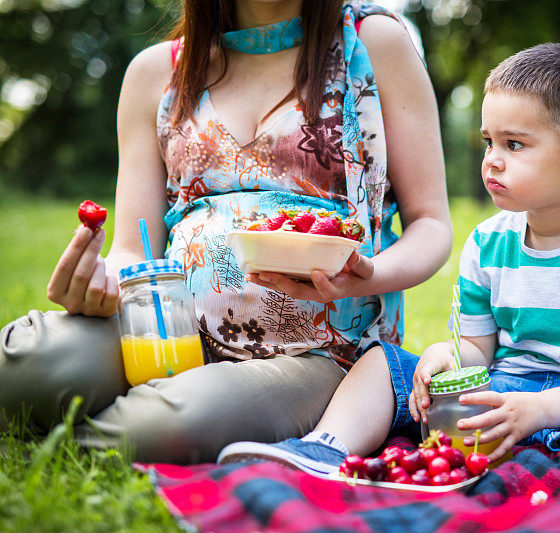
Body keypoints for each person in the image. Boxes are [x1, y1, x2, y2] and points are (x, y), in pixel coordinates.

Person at [217, 43, 560, 530]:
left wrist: (540, 411)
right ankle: (321, 451)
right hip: (506, 384)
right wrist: (443, 356)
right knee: (382, 363)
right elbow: (477, 350)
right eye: (489, 142)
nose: (491, 162)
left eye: (514, 145)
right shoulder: (489, 242)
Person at [0, 0, 452, 464]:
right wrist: (99, 282)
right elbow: (134, 249)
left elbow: (431, 224)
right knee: (25, 363)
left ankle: (97, 432)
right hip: (169, 328)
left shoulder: (375, 43)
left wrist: (368, 275)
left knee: (171, 424)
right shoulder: (156, 73)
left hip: (321, 355)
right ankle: (117, 417)